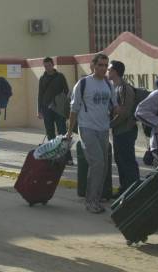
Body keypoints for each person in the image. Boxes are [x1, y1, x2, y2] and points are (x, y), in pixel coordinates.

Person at [69, 53, 115, 214]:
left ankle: (97, 198)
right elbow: (74, 110)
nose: (103, 68)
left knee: (102, 166)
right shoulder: (83, 84)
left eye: (105, 65)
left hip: (103, 129)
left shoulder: (108, 85)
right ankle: (91, 201)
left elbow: (113, 107)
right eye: (100, 65)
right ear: (93, 66)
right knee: (98, 163)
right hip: (87, 128)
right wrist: (69, 133)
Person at [107, 60, 139, 195]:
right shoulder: (113, 87)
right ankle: (124, 188)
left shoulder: (125, 88)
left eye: (109, 69)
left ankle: (133, 191)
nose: (107, 71)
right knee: (120, 160)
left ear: (115, 71)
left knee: (127, 161)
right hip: (118, 131)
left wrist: (109, 125)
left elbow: (125, 112)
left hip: (126, 130)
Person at [37, 57, 72, 164]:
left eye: (49, 65)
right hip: (46, 109)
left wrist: (60, 102)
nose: (47, 68)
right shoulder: (42, 79)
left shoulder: (60, 77)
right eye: (45, 66)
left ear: (53, 65)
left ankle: (67, 157)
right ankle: (53, 156)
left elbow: (66, 91)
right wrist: (39, 110)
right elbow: (40, 95)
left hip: (59, 109)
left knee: (62, 133)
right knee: (50, 133)